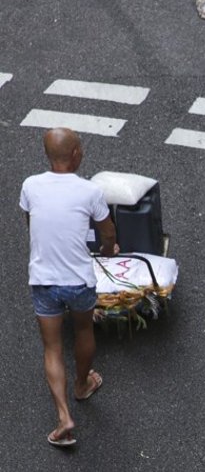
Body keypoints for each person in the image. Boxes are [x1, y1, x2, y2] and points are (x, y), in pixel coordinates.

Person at [20, 128, 118, 449]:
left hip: (44, 281)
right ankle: (82, 385)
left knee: (52, 348)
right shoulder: (90, 191)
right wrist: (108, 250)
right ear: (75, 154)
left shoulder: (30, 186)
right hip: (78, 282)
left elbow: (31, 222)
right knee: (83, 330)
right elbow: (107, 233)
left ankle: (64, 417)